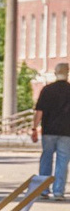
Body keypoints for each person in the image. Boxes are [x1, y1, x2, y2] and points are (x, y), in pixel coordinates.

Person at [38, 62, 70, 202]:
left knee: (46, 159)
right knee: (62, 161)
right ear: (67, 73)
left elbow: (39, 111)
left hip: (48, 131)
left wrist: (34, 128)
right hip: (66, 132)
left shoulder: (47, 90)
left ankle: (43, 190)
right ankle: (58, 191)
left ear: (55, 73)